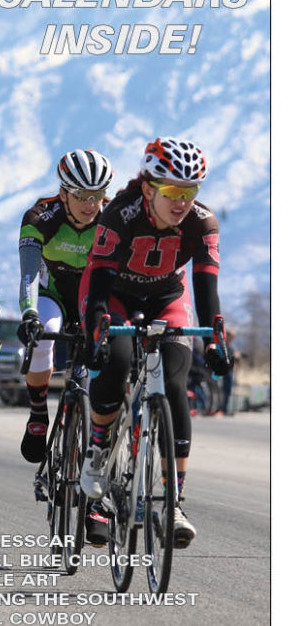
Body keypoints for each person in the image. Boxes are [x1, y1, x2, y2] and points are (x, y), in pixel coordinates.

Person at [80, 137, 232, 548]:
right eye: (172, 191)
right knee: (115, 361)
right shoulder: (120, 214)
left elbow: (206, 289)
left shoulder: (203, 222)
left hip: (167, 298)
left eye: (190, 191)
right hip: (115, 295)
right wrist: (96, 332)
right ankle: (98, 450)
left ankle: (175, 502)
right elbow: (99, 284)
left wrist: (215, 341)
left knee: (176, 383)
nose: (181, 201)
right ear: (149, 188)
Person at [17, 150, 113, 465]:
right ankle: (38, 414)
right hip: (53, 296)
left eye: (97, 195)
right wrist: (29, 314)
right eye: (81, 195)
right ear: (63, 193)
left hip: (93, 299)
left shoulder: (112, 219)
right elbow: (29, 274)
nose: (90, 204)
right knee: (44, 334)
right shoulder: (40, 217)